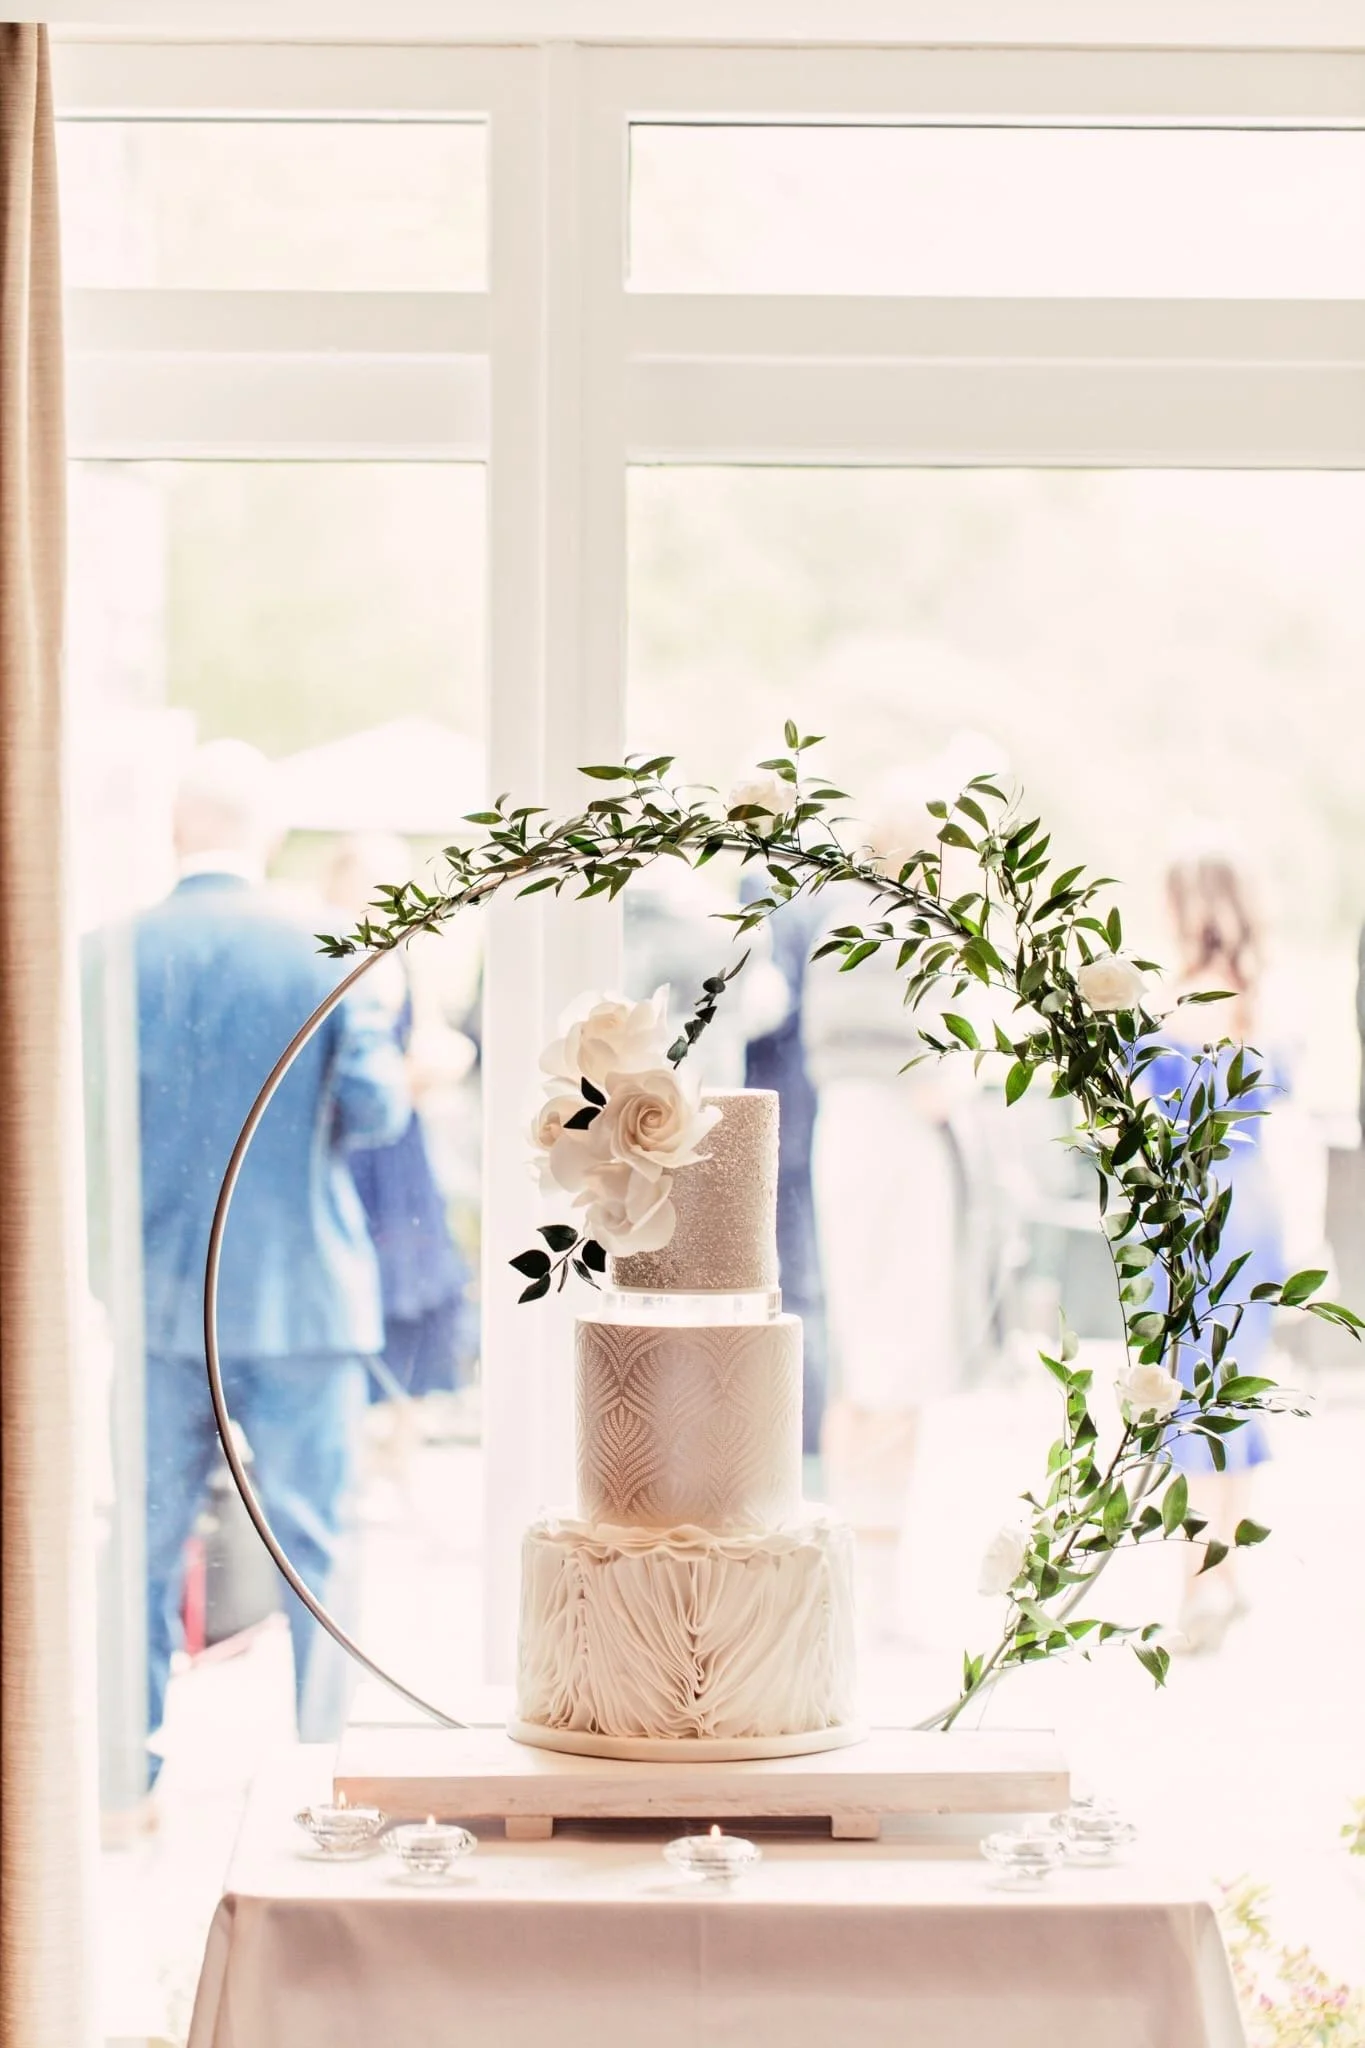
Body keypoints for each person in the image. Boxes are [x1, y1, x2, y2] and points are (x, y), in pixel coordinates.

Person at [130, 742, 410, 1762]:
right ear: (271, 835)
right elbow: (374, 1110)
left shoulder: (103, 952)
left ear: (174, 825)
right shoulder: (332, 945)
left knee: (144, 1549)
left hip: (156, 1297)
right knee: (319, 1544)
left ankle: (128, 1774)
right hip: (302, 1293)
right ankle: (326, 1761)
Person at [1144, 849, 1283, 1653]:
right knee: (1227, 1389)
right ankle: (1220, 1573)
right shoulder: (1254, 990)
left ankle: (1200, 1581)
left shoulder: (1190, 994)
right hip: (1248, 1196)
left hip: (1207, 1206)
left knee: (1198, 1392)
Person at [326, 834, 478, 1407]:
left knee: (418, 1293)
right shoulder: (331, 968)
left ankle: (398, 1456)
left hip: (405, 1150)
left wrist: (445, 1058)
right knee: (370, 1289)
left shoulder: (403, 960)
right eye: (370, 881)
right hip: (358, 1147)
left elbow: (432, 1039)